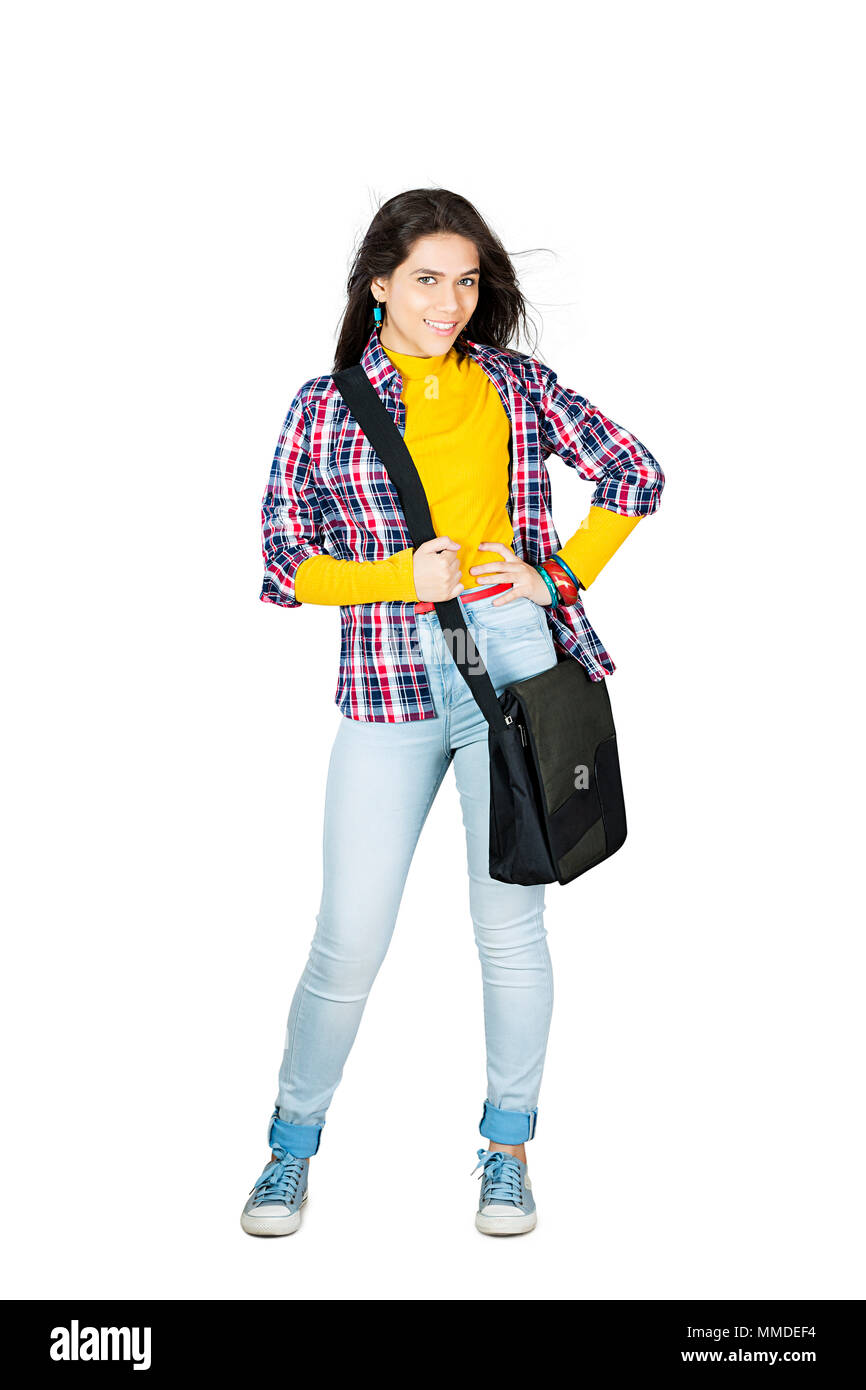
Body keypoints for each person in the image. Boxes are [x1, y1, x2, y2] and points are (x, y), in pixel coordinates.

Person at [241, 188, 664, 1238]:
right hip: (387, 683)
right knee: (348, 934)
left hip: (511, 674)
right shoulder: (325, 404)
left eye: (466, 281)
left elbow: (635, 472)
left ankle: (506, 1149)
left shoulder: (516, 386)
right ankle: (290, 1147)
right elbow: (282, 562)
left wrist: (555, 575)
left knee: (507, 925)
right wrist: (395, 572)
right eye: (427, 279)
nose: (449, 301)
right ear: (378, 283)